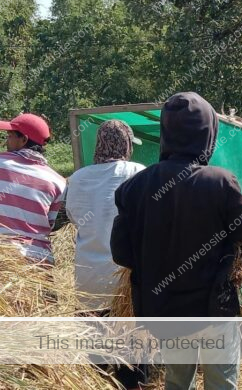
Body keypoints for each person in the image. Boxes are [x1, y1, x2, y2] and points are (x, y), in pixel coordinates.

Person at [110, 92, 242, 390]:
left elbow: (121, 253)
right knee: (221, 383)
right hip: (213, 309)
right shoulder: (220, 182)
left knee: (177, 382)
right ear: (208, 133)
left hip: (165, 312)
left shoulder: (134, 186)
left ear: (166, 132)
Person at [66, 120, 147, 389]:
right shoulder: (136, 172)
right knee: (131, 357)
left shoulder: (78, 178)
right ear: (125, 144)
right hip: (124, 279)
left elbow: (74, 218)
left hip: (88, 279)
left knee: (95, 357)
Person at [0, 113, 66, 264]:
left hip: (4, 256)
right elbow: (50, 224)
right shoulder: (58, 181)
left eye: (9, 136)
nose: (6, 142)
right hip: (38, 260)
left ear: (24, 139)